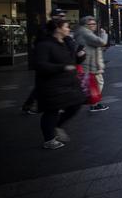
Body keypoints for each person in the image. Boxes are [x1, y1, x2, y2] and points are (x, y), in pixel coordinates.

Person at [34, 19, 86, 149]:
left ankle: (57, 125)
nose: (69, 29)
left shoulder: (67, 42)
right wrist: (62, 67)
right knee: (52, 111)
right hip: (51, 84)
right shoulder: (44, 45)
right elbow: (40, 65)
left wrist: (80, 56)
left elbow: (73, 61)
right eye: (66, 27)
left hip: (69, 82)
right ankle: (49, 139)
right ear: (58, 29)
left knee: (77, 103)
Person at [22, 9, 76, 115]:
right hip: (50, 62)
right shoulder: (46, 29)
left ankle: (32, 105)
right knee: (43, 86)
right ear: (54, 17)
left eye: (64, 15)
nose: (63, 17)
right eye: (60, 15)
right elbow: (42, 46)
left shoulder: (61, 29)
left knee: (46, 86)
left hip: (59, 61)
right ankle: (36, 106)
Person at [75, 16, 109, 112]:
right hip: (90, 64)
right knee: (97, 83)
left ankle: (94, 103)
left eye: (95, 24)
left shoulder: (82, 32)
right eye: (91, 24)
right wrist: (104, 34)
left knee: (94, 83)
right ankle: (94, 103)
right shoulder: (85, 33)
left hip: (89, 63)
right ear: (86, 25)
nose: (94, 26)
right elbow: (102, 42)